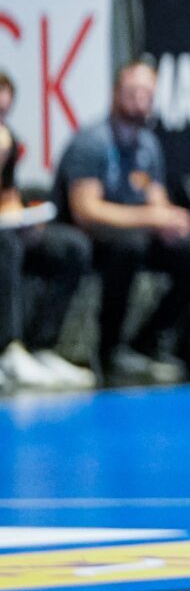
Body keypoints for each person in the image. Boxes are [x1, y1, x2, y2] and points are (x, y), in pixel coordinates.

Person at [53, 61, 190, 383]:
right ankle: (109, 350)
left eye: (147, 93)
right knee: (128, 248)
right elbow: (86, 211)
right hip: (94, 239)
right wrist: (150, 218)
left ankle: (147, 341)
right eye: (133, 92)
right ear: (116, 93)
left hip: (138, 235)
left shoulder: (147, 144)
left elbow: (154, 197)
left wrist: (170, 218)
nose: (140, 100)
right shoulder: (92, 142)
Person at [0, 70, 95, 391]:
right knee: (6, 245)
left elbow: (7, 197)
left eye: (5, 112)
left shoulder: (7, 139)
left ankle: (42, 346)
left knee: (71, 247)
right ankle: (7, 349)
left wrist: (24, 218)